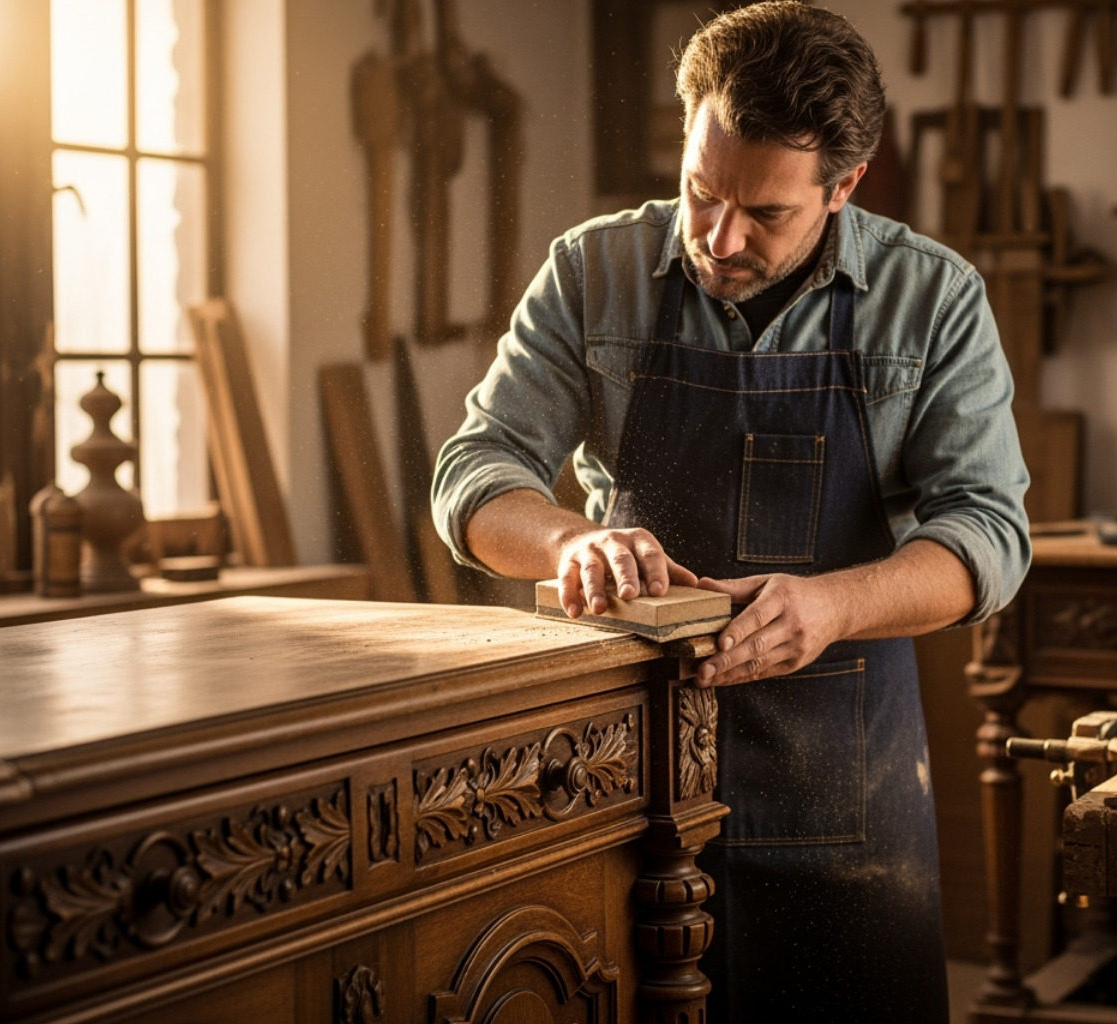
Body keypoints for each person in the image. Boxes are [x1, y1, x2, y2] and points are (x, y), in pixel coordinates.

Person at [432, 2, 1030, 1018]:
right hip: (621, 788)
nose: (718, 236)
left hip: (847, 802)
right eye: (701, 192)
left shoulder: (932, 300)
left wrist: (833, 606)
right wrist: (572, 538)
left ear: (845, 186)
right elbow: (475, 474)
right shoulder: (593, 273)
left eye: (765, 213)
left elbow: (988, 538)